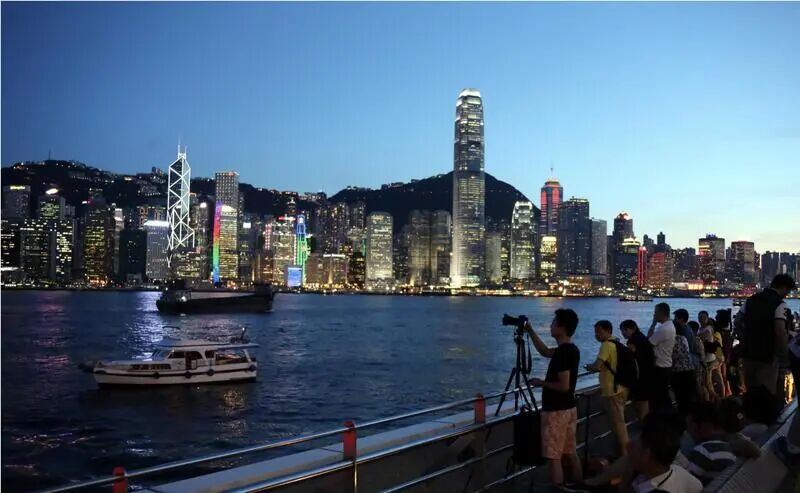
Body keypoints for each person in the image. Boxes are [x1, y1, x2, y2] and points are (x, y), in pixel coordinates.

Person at [524, 308, 583, 486]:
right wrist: (530, 330)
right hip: (569, 408)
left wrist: (541, 383)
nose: (550, 326)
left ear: (562, 327)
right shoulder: (570, 349)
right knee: (570, 452)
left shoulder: (562, 353)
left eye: (553, 323)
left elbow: (563, 386)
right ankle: (581, 485)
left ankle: (558, 488)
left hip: (557, 411)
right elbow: (544, 351)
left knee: (554, 456)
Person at [737, 274, 797, 395]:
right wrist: (784, 357)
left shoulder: (750, 300)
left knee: (751, 391)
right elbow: (780, 332)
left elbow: (738, 321)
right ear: (784, 287)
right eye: (788, 291)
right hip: (768, 356)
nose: (787, 294)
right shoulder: (780, 304)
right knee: (767, 392)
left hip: (748, 353)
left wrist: (745, 339)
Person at [626, 410, 702, 493]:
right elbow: (698, 486)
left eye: (633, 446)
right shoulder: (677, 470)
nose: (627, 446)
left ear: (646, 454)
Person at [586, 320, 629, 456]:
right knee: (619, 421)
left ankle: (625, 454)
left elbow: (597, 366)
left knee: (618, 423)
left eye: (599, 331)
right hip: (621, 387)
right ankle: (624, 452)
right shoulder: (616, 342)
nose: (596, 335)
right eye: (595, 332)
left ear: (608, 331)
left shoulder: (606, 345)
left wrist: (589, 367)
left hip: (612, 390)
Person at [684, 401, 737, 485]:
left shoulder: (701, 452)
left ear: (704, 425)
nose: (689, 432)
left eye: (690, 426)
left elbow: (688, 485)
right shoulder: (728, 445)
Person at [621, 319, 654, 420]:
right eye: (622, 330)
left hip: (641, 378)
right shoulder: (641, 338)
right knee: (642, 403)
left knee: (641, 404)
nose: (623, 332)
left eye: (625, 330)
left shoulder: (635, 341)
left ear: (633, 328)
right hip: (646, 376)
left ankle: (645, 425)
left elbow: (634, 359)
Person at [648, 303, 676, 413]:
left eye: (656, 312)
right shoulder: (670, 326)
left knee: (660, 397)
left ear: (661, 313)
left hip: (660, 367)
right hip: (666, 365)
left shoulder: (664, 329)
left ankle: (667, 418)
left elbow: (648, 343)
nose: (654, 315)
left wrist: (652, 325)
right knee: (664, 396)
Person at [671, 309, 698, 414]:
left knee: (682, 397)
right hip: (690, 366)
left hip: (680, 370)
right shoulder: (688, 331)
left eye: (675, 318)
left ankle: (685, 417)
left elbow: (675, 355)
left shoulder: (678, 337)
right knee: (689, 395)